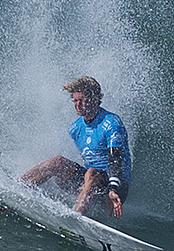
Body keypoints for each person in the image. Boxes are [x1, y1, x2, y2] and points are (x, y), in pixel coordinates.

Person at [20, 75, 130, 219]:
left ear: (95, 99)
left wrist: (113, 189)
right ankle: (16, 187)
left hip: (114, 188)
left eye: (83, 100)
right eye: (75, 100)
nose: (78, 105)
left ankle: (75, 218)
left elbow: (116, 160)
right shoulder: (75, 128)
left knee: (92, 173)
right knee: (57, 162)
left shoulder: (111, 123)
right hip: (90, 184)